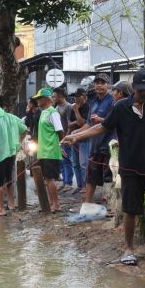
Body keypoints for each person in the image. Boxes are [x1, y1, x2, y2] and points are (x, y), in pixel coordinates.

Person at [63, 69, 145, 264]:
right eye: (142, 91)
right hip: (130, 167)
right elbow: (101, 127)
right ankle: (128, 249)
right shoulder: (121, 107)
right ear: (134, 89)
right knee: (131, 210)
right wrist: (76, 136)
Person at [0, 100, 27, 216]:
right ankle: (12, 205)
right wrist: (19, 143)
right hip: (11, 154)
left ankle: (1, 208)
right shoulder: (12, 117)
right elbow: (24, 129)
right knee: (9, 181)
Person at [75, 74, 114, 204]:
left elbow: (114, 122)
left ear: (108, 85)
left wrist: (101, 120)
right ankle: (87, 203)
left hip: (110, 146)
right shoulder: (93, 102)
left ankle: (111, 207)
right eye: (97, 82)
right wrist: (76, 133)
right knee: (90, 176)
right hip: (95, 146)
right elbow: (89, 124)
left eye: (102, 82)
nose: (99, 85)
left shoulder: (113, 101)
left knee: (110, 177)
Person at [34, 88, 65, 212]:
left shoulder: (53, 112)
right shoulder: (43, 112)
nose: (37, 100)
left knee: (50, 178)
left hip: (51, 150)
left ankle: (56, 204)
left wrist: (61, 146)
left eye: (38, 98)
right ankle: (51, 203)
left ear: (46, 99)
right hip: (43, 151)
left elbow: (60, 131)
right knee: (47, 179)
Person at [69, 89, 89, 194]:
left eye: (78, 96)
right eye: (74, 96)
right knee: (75, 163)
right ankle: (80, 185)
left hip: (84, 139)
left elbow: (82, 123)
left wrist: (77, 111)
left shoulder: (86, 107)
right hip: (73, 138)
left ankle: (86, 186)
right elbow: (69, 123)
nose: (75, 99)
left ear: (84, 96)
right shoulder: (73, 108)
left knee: (84, 163)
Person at [53, 87, 73, 193]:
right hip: (59, 139)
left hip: (66, 138)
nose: (53, 98)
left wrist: (67, 137)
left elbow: (70, 124)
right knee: (61, 161)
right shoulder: (56, 108)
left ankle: (69, 182)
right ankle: (65, 181)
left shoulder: (69, 107)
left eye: (54, 96)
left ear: (60, 95)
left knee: (67, 160)